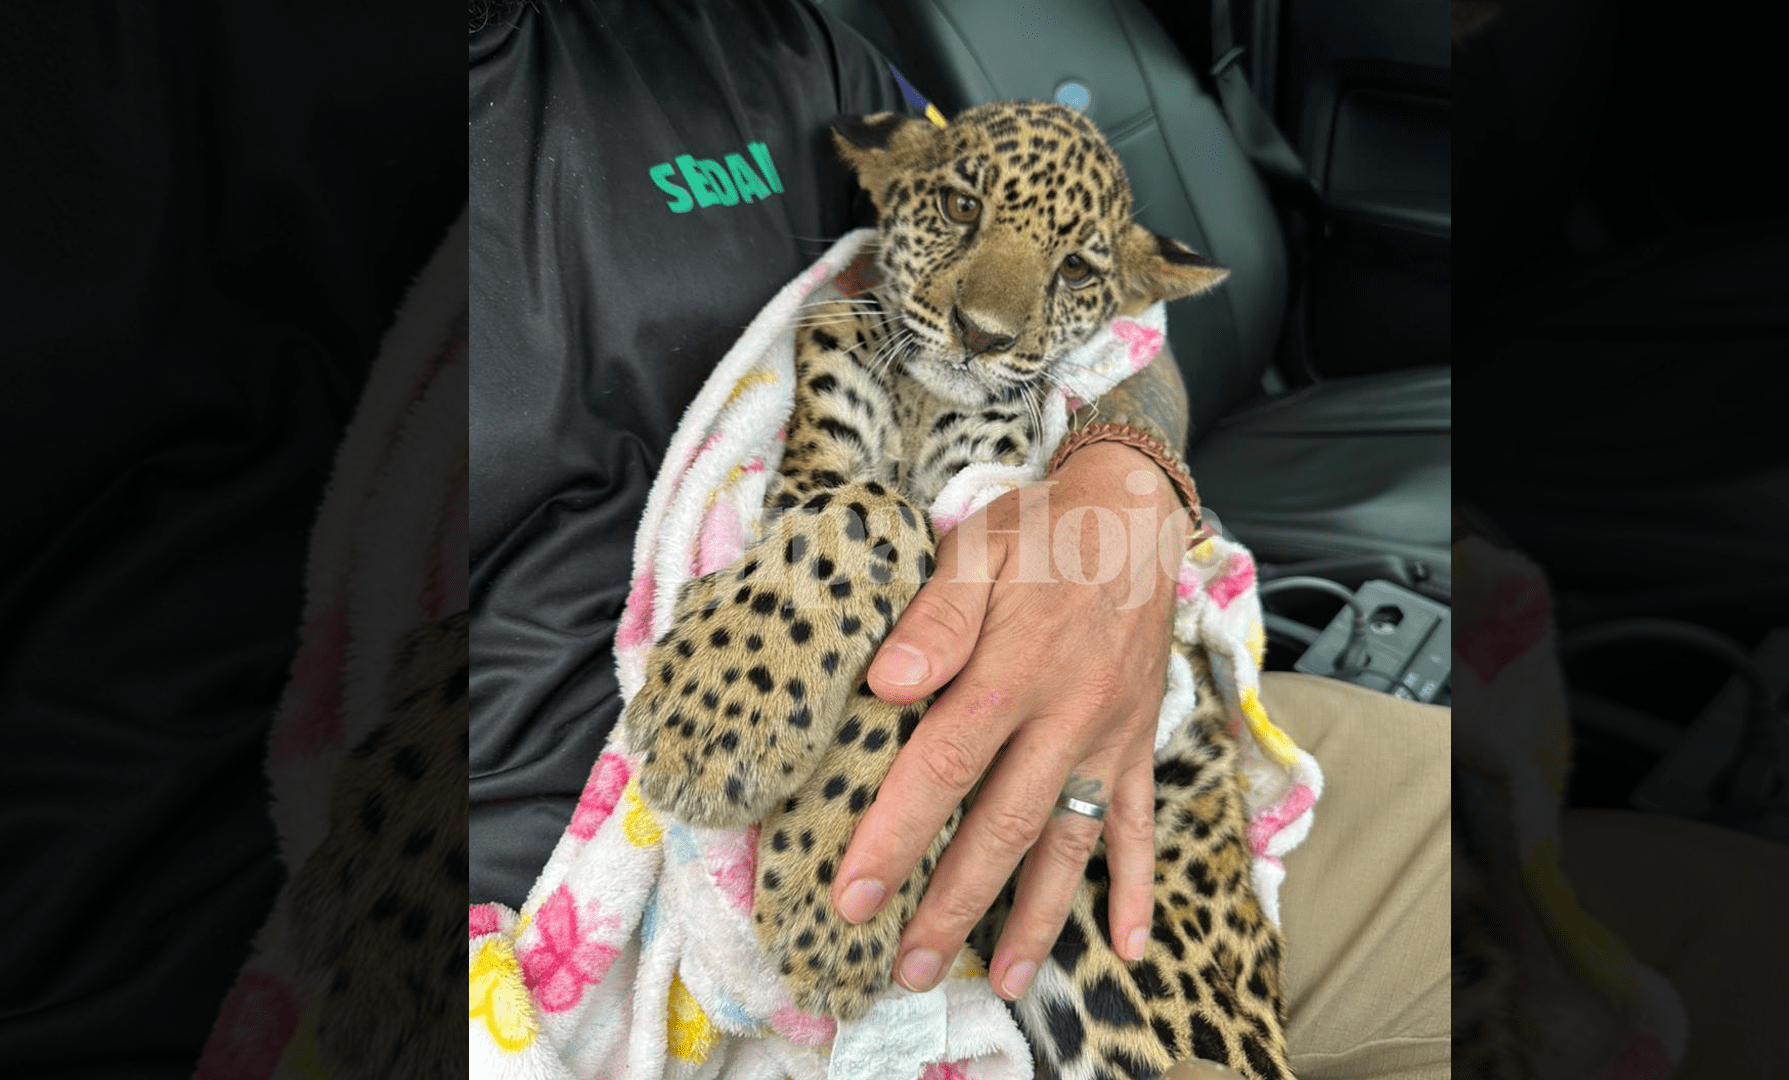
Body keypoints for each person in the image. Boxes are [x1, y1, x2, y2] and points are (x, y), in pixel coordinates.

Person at [468, 1, 1450, 1076]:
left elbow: (1124, 335)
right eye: (960, 218)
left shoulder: (776, 45)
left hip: (1074, 740)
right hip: (599, 895)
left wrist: (1127, 494)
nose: (988, 312)